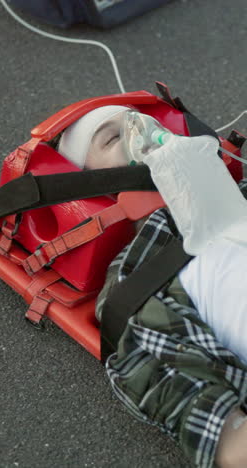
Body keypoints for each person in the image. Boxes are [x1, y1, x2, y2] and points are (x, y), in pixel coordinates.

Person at [58, 105, 247, 468]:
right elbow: (226, 441)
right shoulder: (135, 283)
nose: (140, 129)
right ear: (90, 191)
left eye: (146, 120)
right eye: (113, 137)